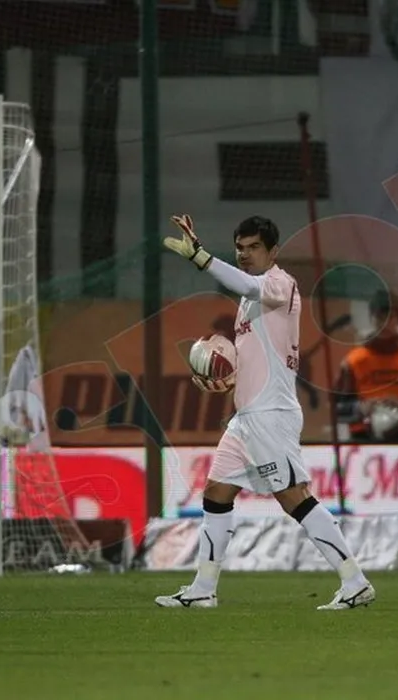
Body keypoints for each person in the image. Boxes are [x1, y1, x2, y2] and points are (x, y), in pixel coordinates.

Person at [156, 214, 375, 610]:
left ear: (273, 251)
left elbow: (246, 283)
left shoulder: (279, 283)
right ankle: (203, 589)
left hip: (271, 414)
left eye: (254, 247)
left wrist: (201, 257)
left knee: (294, 498)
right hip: (246, 418)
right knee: (216, 492)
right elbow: (255, 359)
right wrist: (222, 380)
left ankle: (355, 581)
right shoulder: (250, 299)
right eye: (240, 248)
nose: (245, 254)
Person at [335, 289, 398, 442]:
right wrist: (362, 408)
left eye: (391, 317)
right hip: (363, 441)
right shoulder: (354, 361)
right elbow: (337, 409)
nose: (385, 323)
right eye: (380, 316)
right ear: (372, 318)